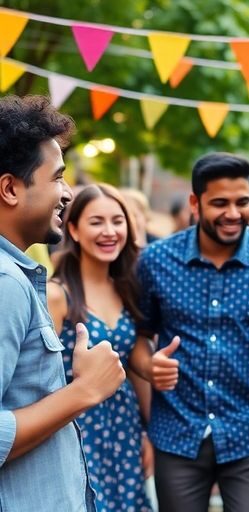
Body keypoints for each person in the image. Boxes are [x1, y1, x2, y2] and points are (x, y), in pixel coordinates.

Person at [128, 153, 249, 512]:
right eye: (220, 203)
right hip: (177, 432)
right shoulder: (155, 261)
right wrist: (149, 367)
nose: (233, 213)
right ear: (195, 203)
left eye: (242, 202)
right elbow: (139, 336)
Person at [0, 95, 125, 510]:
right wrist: (85, 391)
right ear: (10, 188)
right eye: (57, 177)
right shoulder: (6, 284)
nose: (68, 193)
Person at [47, 184, 153, 511]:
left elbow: (137, 366)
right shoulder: (56, 295)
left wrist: (149, 433)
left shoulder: (127, 288)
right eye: (96, 222)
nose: (109, 232)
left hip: (124, 427)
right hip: (76, 430)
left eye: (117, 221)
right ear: (74, 230)